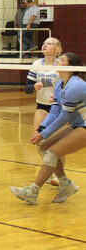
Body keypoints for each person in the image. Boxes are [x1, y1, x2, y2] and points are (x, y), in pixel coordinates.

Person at [9, 52, 85, 204]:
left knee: (51, 152)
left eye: (62, 60)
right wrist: (41, 129)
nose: (58, 61)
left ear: (70, 67)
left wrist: (44, 133)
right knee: (43, 147)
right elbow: (55, 111)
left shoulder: (76, 85)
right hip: (76, 124)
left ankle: (33, 191)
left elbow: (64, 117)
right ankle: (66, 184)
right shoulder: (59, 84)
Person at [25, 37, 62, 185]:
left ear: (58, 49)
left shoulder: (61, 64)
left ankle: (58, 176)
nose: (45, 45)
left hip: (58, 108)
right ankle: (53, 172)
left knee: (56, 143)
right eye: (44, 42)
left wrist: (59, 95)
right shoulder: (36, 64)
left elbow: (69, 85)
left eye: (50, 43)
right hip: (41, 106)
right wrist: (34, 87)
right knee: (38, 140)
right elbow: (27, 88)